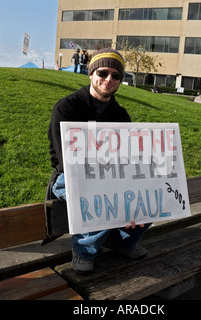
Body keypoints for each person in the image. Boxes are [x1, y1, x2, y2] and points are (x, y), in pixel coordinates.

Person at [47, 48, 150, 275]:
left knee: (149, 195)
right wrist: (109, 185)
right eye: (103, 73)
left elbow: (127, 158)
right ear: (91, 74)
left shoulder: (121, 115)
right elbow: (66, 161)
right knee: (100, 195)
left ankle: (121, 242)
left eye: (116, 76)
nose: (108, 79)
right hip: (69, 176)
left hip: (109, 173)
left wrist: (134, 191)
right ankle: (83, 250)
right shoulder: (66, 107)